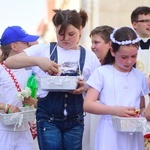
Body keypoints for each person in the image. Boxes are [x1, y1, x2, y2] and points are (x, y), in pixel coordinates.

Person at [5, 9, 100, 150]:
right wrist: (38, 61)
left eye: (71, 34)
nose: (66, 38)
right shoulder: (43, 50)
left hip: (75, 120)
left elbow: (99, 86)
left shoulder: (89, 56)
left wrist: (85, 87)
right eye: (60, 34)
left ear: (80, 29)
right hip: (48, 119)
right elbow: (9, 62)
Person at [83, 27, 149, 150]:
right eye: (124, 57)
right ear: (112, 51)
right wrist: (115, 110)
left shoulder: (139, 76)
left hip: (133, 134)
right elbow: (88, 104)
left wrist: (143, 114)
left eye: (134, 56)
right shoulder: (102, 73)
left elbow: (142, 107)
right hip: (109, 131)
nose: (129, 61)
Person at [0, 25, 39, 150]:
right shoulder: (1, 70)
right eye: (25, 43)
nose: (28, 46)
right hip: (4, 131)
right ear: (14, 47)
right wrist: (5, 106)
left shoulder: (29, 69)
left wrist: (33, 101)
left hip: (25, 132)